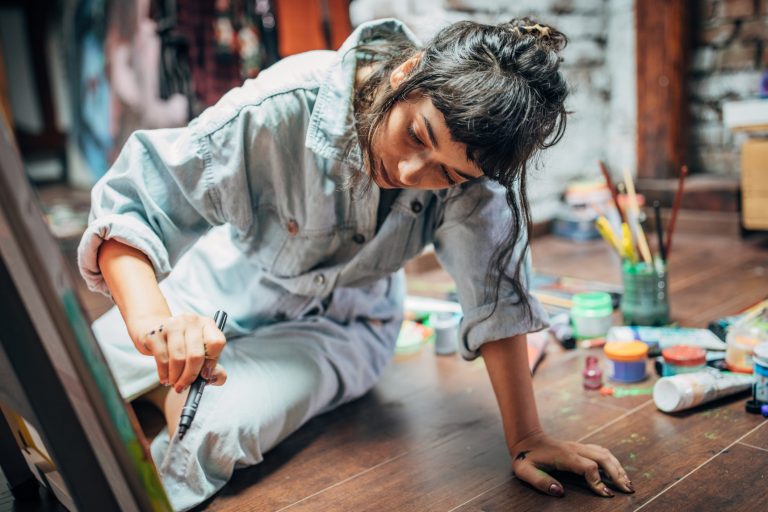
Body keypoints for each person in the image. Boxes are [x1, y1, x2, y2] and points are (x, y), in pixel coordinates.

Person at [78, 17, 634, 511]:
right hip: (221, 287)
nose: (416, 174)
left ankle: (156, 403)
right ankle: (150, 392)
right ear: (407, 72)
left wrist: (527, 435)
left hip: (342, 328)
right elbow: (137, 204)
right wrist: (158, 327)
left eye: (447, 174)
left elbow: (497, 297)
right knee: (74, 371)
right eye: (417, 135)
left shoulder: (474, 180)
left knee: (216, 430)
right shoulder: (283, 103)